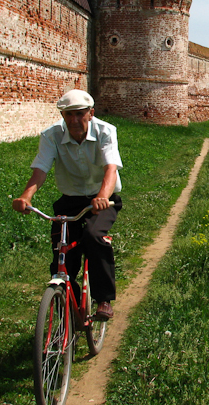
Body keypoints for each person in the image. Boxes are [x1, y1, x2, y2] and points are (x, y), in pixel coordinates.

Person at [12, 89, 122, 321]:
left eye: (79, 114)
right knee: (62, 248)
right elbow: (40, 169)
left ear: (90, 113)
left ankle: (103, 298)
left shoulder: (105, 131)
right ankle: (63, 297)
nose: (73, 120)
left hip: (102, 200)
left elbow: (110, 167)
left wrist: (101, 196)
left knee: (93, 236)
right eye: (68, 115)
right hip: (70, 200)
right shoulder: (51, 135)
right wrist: (26, 196)